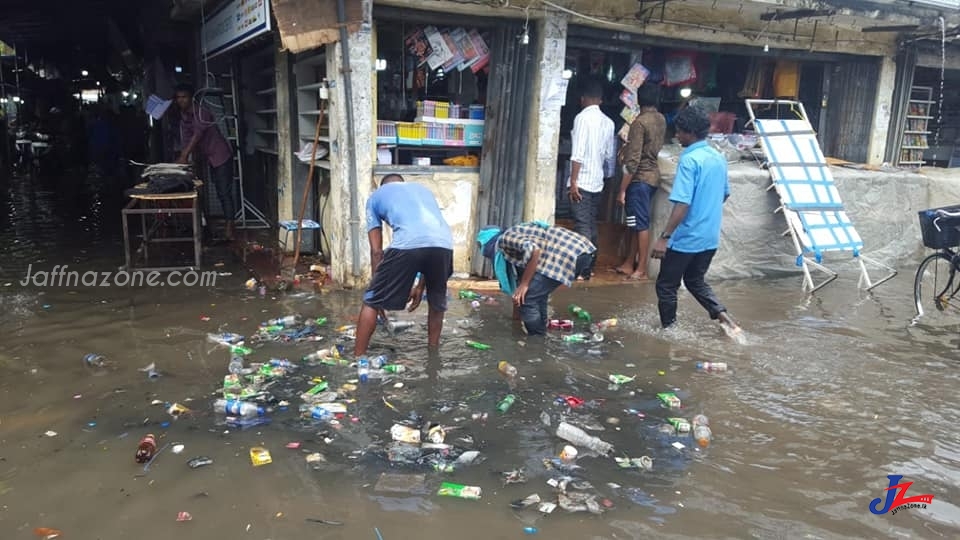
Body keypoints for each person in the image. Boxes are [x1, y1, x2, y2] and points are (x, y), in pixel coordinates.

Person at [651, 106, 740, 335]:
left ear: (689, 132)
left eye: (679, 132)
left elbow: (683, 203)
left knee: (666, 285)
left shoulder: (689, 160)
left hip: (686, 237)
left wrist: (664, 237)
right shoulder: (717, 157)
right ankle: (725, 319)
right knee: (695, 280)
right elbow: (725, 194)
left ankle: (669, 332)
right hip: (709, 236)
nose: (677, 136)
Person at [354, 174, 454, 358]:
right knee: (436, 302)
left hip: (407, 244)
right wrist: (420, 287)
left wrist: (378, 292)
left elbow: (377, 251)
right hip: (444, 245)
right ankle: (433, 354)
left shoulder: (376, 197)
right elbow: (428, 242)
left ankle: (357, 358)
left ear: (382, 186)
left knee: (370, 301)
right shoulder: (423, 191)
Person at [476, 222, 595, 336]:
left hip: (571, 254)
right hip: (581, 252)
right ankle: (541, 332)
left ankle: (536, 341)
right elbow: (519, 283)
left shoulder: (504, 239)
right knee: (537, 296)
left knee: (528, 298)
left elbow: (534, 250)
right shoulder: (512, 247)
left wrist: (525, 284)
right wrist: (516, 319)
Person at [614, 83, 666, 281]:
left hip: (639, 179)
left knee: (640, 223)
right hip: (653, 176)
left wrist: (622, 190)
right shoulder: (660, 119)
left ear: (638, 100)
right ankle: (629, 262)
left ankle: (641, 267)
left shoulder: (640, 123)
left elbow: (632, 161)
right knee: (634, 222)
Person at [174, 84, 235, 241]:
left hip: (220, 155)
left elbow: (196, 136)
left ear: (191, 98)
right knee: (207, 190)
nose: (181, 100)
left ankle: (230, 229)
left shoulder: (202, 113)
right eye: (178, 97)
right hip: (207, 157)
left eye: (184, 97)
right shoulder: (184, 117)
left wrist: (184, 156)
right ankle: (208, 226)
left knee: (223, 192)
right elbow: (186, 140)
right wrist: (183, 158)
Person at [567, 80, 615, 281]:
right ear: (601, 100)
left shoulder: (582, 118)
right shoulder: (609, 122)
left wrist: (574, 181)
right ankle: (590, 267)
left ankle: (583, 270)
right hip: (597, 182)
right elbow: (608, 155)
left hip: (583, 182)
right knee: (590, 224)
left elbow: (577, 154)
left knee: (582, 226)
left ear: (583, 99)